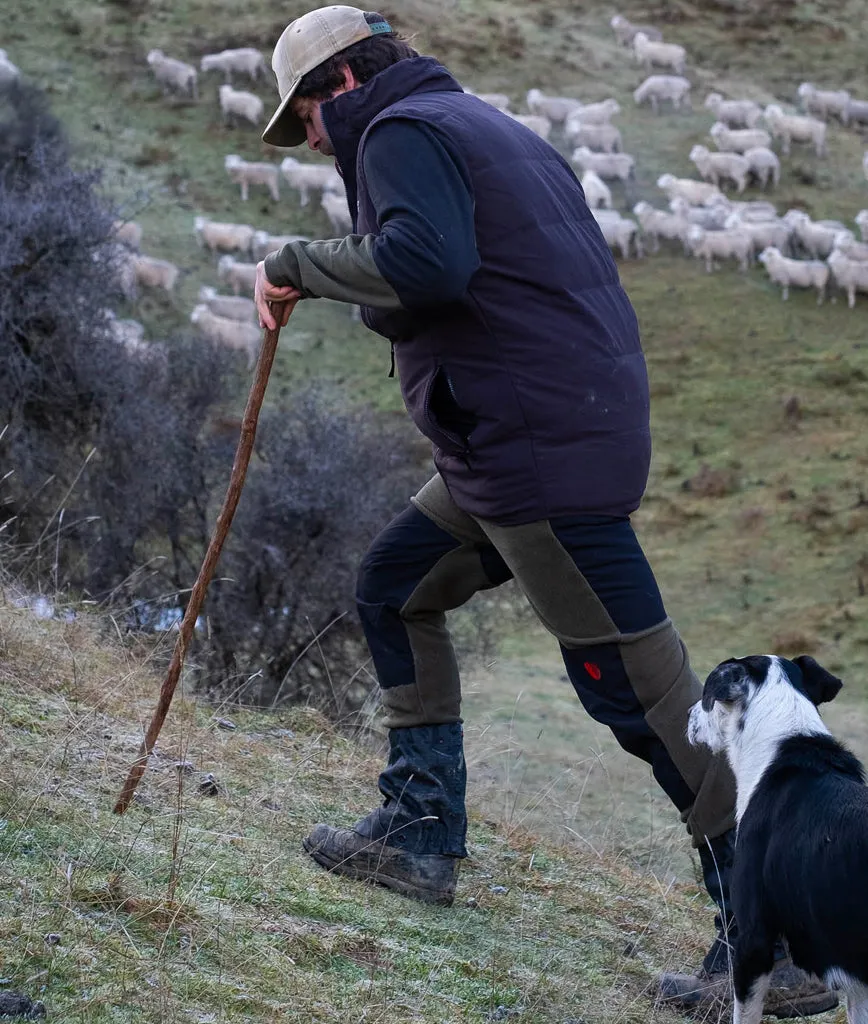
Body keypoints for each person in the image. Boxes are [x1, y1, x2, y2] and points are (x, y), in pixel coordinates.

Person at [256, 7, 837, 1017]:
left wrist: (294, 264)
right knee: (396, 586)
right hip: (528, 438)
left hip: (535, 457)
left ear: (341, 86)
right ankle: (419, 834)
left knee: (648, 700)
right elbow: (462, 275)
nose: (308, 139)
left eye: (305, 114)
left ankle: (772, 941)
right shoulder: (481, 122)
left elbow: (428, 264)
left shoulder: (395, 133)